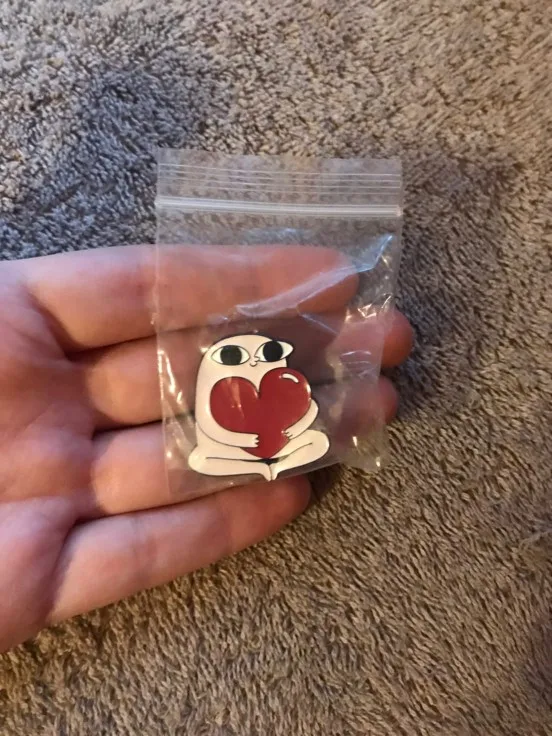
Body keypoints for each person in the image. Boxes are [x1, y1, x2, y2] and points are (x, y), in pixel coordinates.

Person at [0, 245, 413, 652]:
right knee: (211, 458)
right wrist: (245, 439)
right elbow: (218, 431)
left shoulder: (281, 383)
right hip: (227, 446)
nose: (254, 363)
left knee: (310, 436)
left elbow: (295, 417)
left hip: (269, 439)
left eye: (268, 354)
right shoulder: (216, 390)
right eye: (236, 356)